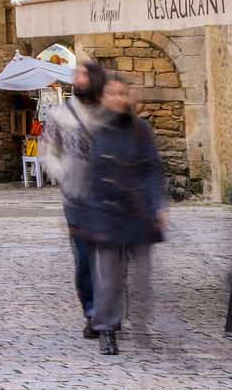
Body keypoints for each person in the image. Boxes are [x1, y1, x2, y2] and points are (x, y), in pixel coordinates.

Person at [70, 71, 167, 355]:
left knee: (142, 277)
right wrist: (82, 213)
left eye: (123, 93)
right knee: (109, 277)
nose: (118, 99)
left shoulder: (141, 130)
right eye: (112, 94)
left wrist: (157, 203)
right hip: (105, 212)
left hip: (138, 211)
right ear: (103, 97)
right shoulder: (91, 131)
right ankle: (107, 328)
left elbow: (152, 168)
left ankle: (141, 325)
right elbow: (83, 173)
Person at [41, 58, 108, 338]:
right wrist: (63, 174)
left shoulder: (111, 113)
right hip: (76, 196)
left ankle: (110, 310)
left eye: (82, 75)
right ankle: (92, 312)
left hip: (109, 196)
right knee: (83, 258)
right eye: (75, 75)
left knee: (111, 256)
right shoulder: (60, 114)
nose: (77, 79)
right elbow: (47, 150)